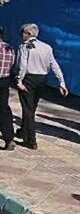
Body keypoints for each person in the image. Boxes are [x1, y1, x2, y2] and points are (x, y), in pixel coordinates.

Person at [16, 22, 68, 150]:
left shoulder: (24, 47)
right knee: (31, 107)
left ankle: (31, 140)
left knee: (28, 109)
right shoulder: (46, 47)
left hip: (29, 78)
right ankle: (23, 130)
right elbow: (54, 65)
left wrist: (19, 80)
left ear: (28, 33)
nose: (21, 35)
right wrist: (61, 82)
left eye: (23, 32)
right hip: (42, 79)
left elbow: (22, 65)